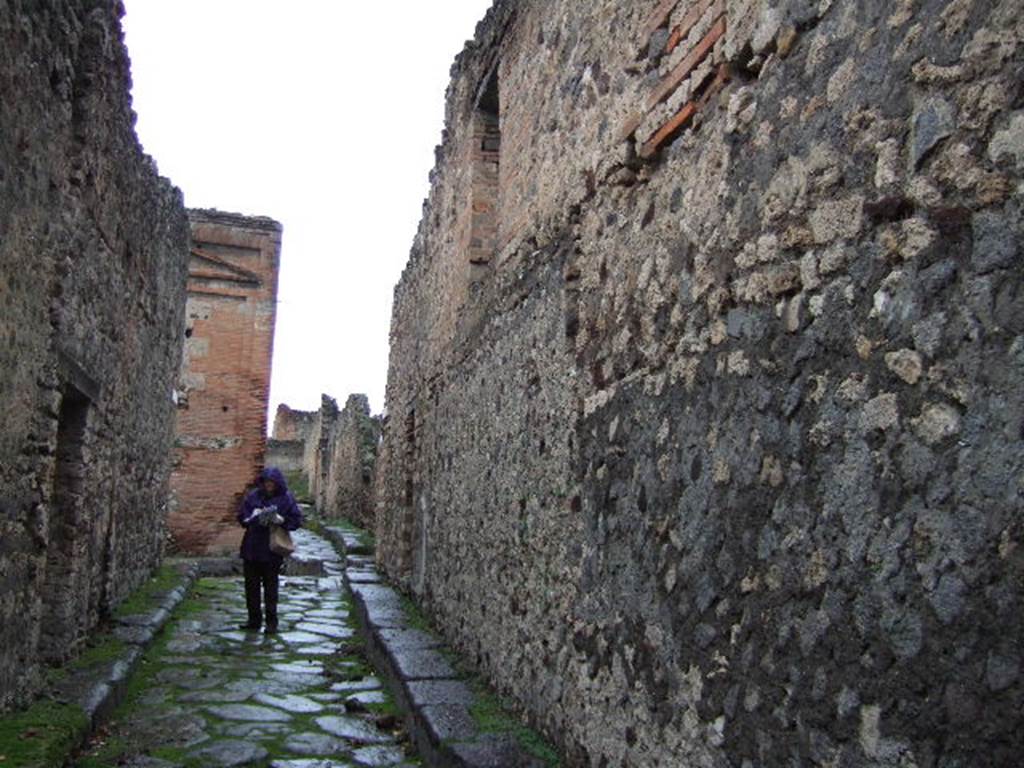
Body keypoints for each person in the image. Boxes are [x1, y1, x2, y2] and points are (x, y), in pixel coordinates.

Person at [237, 467, 303, 634]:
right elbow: (242, 517)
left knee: (271, 588)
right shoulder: (254, 496)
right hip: (252, 547)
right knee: (251, 587)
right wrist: (252, 516)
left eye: (272, 483)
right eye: (266, 482)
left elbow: (296, 520)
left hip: (271, 550)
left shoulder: (286, 499)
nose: (269, 486)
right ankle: (254, 620)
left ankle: (271, 623)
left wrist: (281, 520)